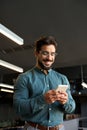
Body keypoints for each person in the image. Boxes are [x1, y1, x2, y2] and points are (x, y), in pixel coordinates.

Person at [13, 36, 76, 130]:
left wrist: (65, 102)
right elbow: (18, 108)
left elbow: (72, 107)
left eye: (53, 54)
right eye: (45, 53)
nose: (49, 58)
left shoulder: (62, 78)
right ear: (36, 53)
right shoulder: (24, 78)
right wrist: (42, 100)